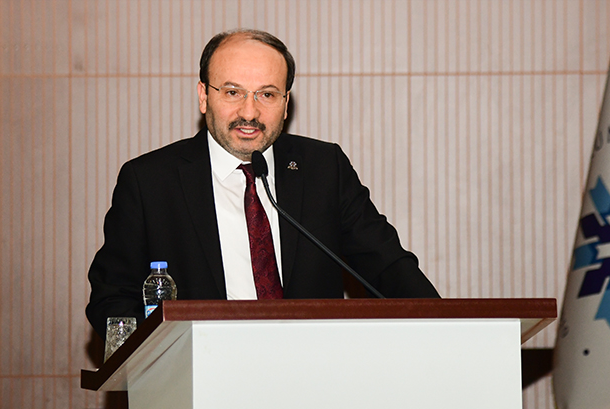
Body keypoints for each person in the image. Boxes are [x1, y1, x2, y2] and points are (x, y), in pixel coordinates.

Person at [86, 28, 439, 340]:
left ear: (286, 104)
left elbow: (388, 266)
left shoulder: (323, 169)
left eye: (267, 95)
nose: (249, 113)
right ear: (203, 96)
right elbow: (112, 297)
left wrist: (446, 327)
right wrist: (159, 363)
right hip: (198, 377)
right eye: (233, 92)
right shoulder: (150, 182)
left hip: (312, 373)